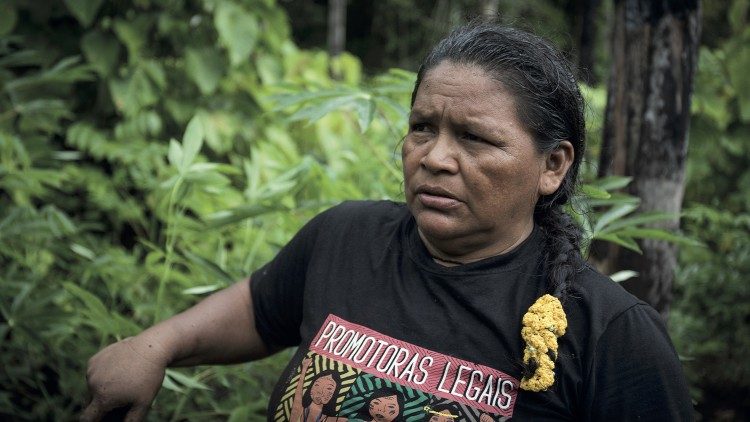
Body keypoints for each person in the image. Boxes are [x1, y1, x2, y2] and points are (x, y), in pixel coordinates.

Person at [82, 23, 693, 421]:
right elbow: (260, 308)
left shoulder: (610, 334)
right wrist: (153, 347)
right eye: (422, 127)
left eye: (475, 139)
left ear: (552, 166)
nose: (434, 157)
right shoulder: (346, 237)